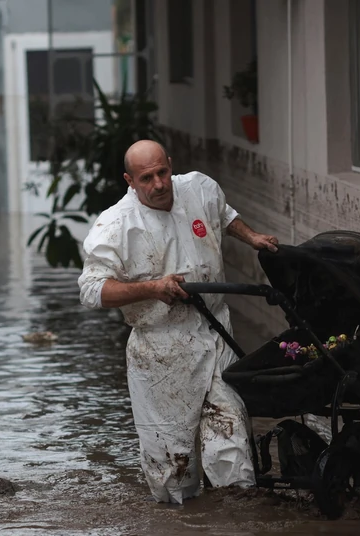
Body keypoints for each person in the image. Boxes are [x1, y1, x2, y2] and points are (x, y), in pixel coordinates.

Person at [77, 139, 280, 504]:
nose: (158, 184)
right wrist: (152, 288)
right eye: (146, 178)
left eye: (162, 172)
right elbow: (92, 291)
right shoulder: (115, 225)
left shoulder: (199, 188)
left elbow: (224, 213)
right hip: (160, 351)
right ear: (130, 180)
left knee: (230, 438)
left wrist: (253, 238)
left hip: (215, 332)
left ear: (171, 165)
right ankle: (179, 535)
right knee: (173, 465)